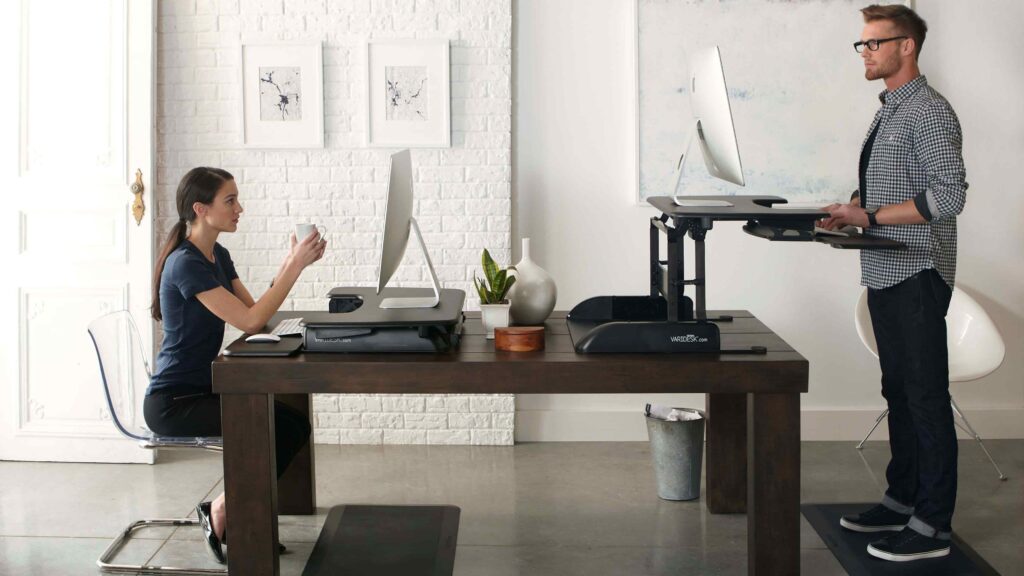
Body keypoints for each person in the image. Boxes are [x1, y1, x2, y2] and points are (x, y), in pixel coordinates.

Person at [820, 4, 968, 562]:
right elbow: (893, 187)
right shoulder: (890, 110)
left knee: (926, 398)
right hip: (884, 270)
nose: (866, 53)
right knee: (899, 394)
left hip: (918, 272)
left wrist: (872, 218)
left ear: (907, 46)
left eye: (874, 44)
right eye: (861, 45)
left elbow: (947, 198)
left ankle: (932, 526)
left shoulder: (928, 111)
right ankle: (902, 499)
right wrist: (852, 209)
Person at [143, 167, 326, 563]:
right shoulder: (185, 264)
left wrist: (292, 262)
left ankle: (229, 511)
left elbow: (251, 308)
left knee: (292, 426)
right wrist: (295, 266)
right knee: (270, 428)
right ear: (201, 209)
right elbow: (251, 322)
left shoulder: (216, 256)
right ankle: (227, 512)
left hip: (203, 387)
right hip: (174, 402)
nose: (239, 208)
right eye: (230, 200)